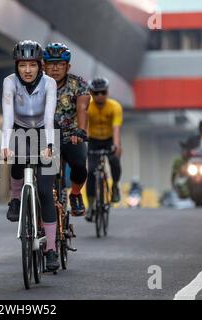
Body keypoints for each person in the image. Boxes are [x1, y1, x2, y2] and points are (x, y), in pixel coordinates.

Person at [1, 40, 59, 271]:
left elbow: (48, 115)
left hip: (46, 131)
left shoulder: (50, 83)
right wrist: (5, 144)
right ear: (16, 66)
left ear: (40, 66)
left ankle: (51, 249)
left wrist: (50, 146)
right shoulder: (9, 82)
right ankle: (16, 199)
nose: (27, 70)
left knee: (45, 190)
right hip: (19, 128)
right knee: (16, 155)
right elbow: (7, 116)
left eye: (32, 65)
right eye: (22, 64)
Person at [43, 43, 90, 216]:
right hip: (44, 136)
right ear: (43, 65)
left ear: (67, 66)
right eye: (50, 64)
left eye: (60, 64)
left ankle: (76, 194)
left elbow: (82, 109)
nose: (55, 68)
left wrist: (80, 131)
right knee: (40, 172)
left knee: (79, 164)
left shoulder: (79, 84)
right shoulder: (36, 83)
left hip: (71, 135)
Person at [85, 77, 123, 222]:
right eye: (96, 93)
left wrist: (117, 145)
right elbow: (85, 127)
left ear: (107, 92)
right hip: (93, 140)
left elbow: (116, 128)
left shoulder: (115, 106)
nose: (100, 95)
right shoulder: (87, 106)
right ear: (91, 93)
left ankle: (115, 187)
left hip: (109, 140)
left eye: (103, 92)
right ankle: (91, 206)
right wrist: (84, 145)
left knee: (114, 161)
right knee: (91, 172)